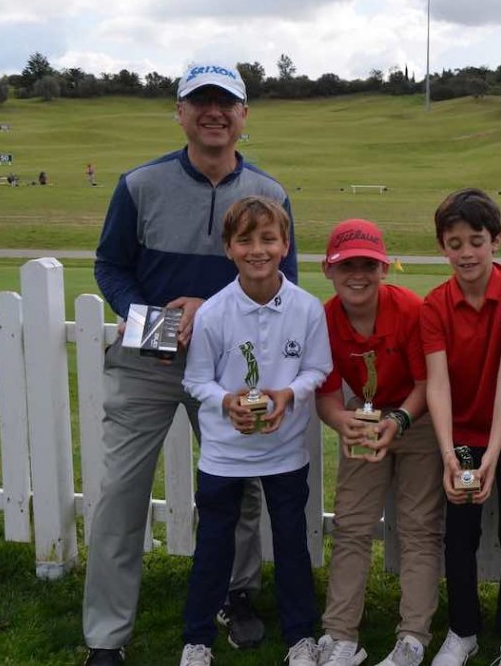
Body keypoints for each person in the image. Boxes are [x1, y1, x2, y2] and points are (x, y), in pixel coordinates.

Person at [83, 61, 298, 666]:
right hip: (148, 359)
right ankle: (106, 636)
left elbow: (287, 282)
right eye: (199, 101)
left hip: (233, 367)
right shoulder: (140, 184)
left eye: (225, 102)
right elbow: (111, 266)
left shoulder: (269, 193)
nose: (213, 112)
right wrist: (146, 312)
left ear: (243, 116)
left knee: (239, 488)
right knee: (122, 492)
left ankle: (237, 593)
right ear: (179, 112)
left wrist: (210, 309)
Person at [179, 196, 332, 666]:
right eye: (244, 240)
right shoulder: (213, 313)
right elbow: (195, 380)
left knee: (291, 541)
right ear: (229, 249)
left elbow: (317, 368)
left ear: (285, 245)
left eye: (268, 239)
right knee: (213, 544)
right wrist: (226, 401)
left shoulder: (307, 309)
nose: (257, 250)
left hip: (285, 448)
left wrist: (289, 394)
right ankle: (197, 639)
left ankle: (301, 638)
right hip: (225, 452)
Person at [314, 218, 444, 666]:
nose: (358, 274)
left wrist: (403, 420)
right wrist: (340, 422)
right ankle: (341, 634)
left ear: (384, 269)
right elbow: (327, 392)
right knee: (351, 524)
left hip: (417, 416)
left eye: (368, 264)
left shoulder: (409, 309)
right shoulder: (326, 318)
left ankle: (413, 636)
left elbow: (430, 384)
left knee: (418, 527)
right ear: (327, 269)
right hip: (363, 416)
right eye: (346, 264)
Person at [420, 188, 501, 666]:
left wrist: (492, 452)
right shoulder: (434, 304)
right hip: (462, 436)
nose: (466, 253)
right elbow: (438, 384)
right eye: (455, 243)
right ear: (442, 246)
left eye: (476, 241)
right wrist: (450, 452)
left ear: (496, 241)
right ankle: (462, 631)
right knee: (459, 535)